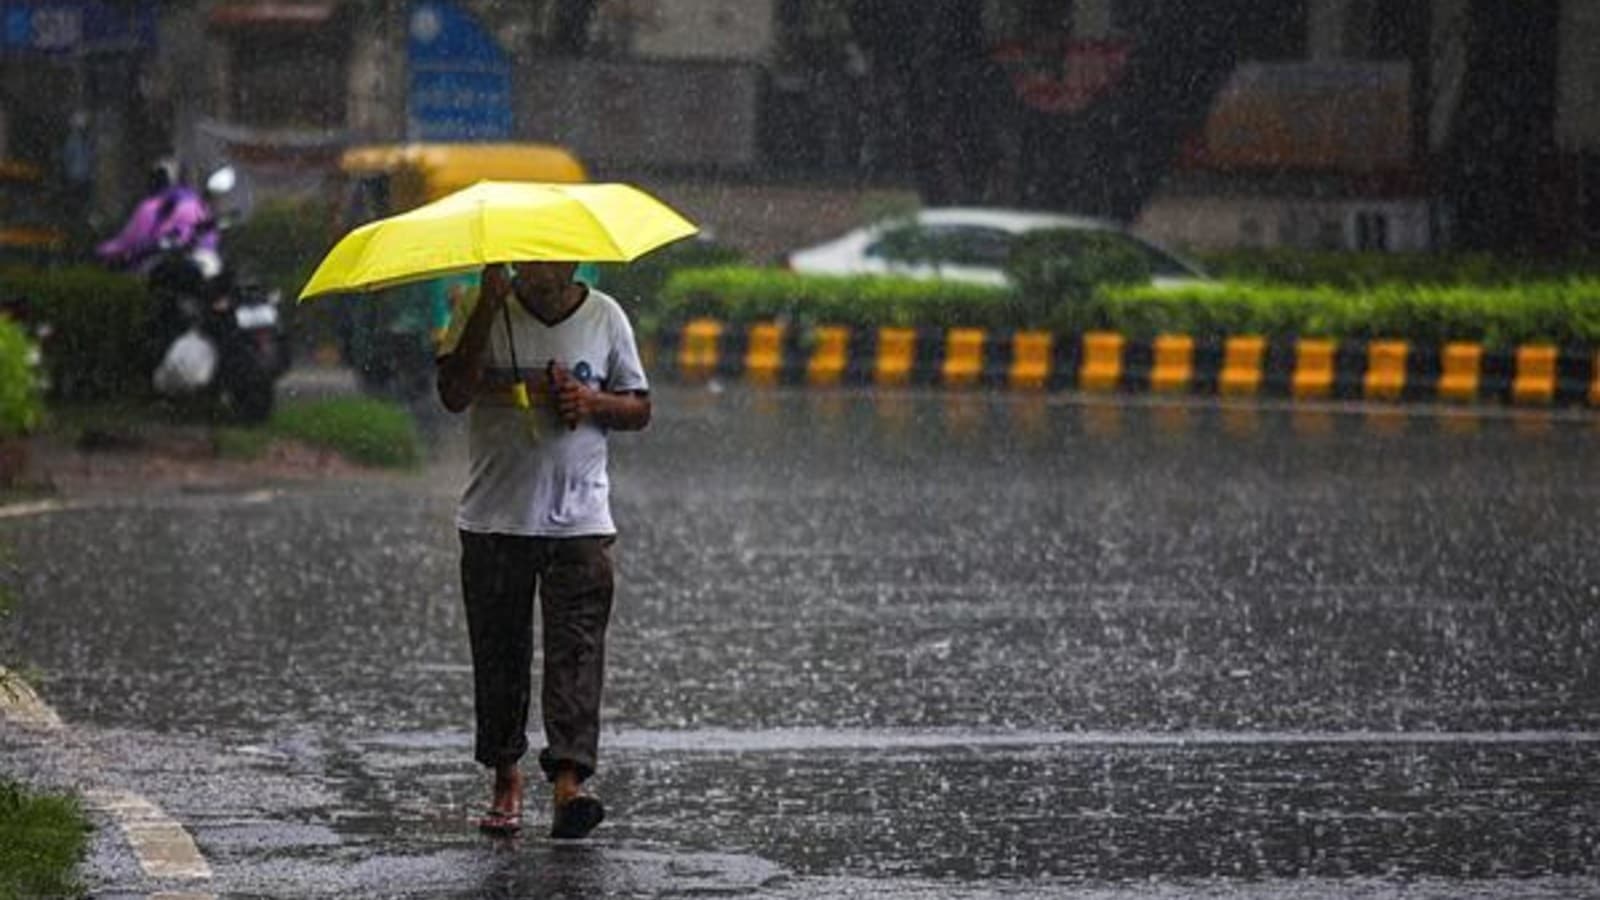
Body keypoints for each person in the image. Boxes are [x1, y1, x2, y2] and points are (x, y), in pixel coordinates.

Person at [435, 260, 651, 839]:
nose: (541, 269)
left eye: (553, 258)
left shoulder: (606, 316)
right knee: (500, 654)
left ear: (573, 259)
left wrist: (590, 402)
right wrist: (485, 305)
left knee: (576, 656)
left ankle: (570, 786)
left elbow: (639, 407)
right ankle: (506, 778)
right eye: (528, 257)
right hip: (494, 520)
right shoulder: (474, 309)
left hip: (580, 521)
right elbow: (453, 392)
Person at [94, 158, 215, 273]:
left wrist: (105, 250)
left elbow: (131, 240)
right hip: (197, 257)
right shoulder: (199, 204)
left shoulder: (151, 206)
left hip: (162, 260)